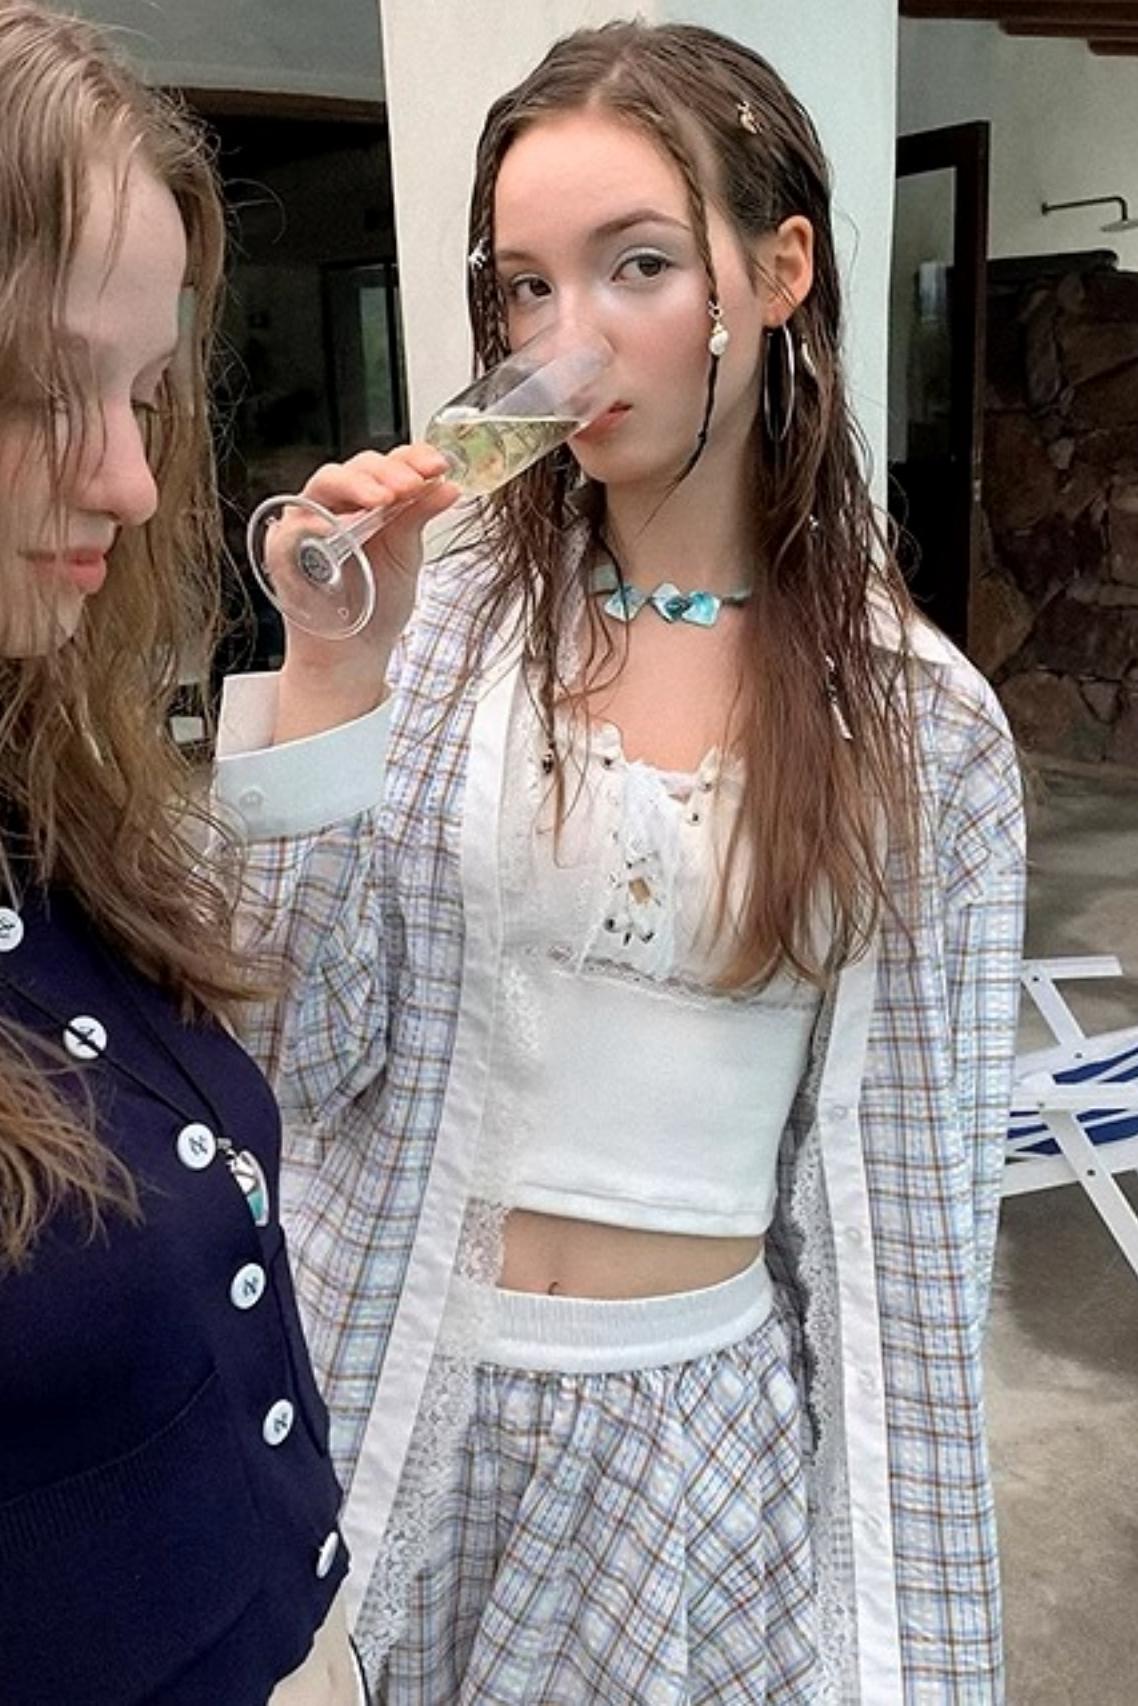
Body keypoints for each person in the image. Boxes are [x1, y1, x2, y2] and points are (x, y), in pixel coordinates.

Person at [217, 19, 1025, 1703]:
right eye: (524, 288)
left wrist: (910, 1649)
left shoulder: (917, 724)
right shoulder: (442, 633)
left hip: (694, 1453)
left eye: (634, 266)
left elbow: (918, 1232)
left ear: (776, 272)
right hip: (414, 1406)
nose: (563, 341)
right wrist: (331, 674)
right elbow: (295, 1055)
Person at [0, 7, 364, 1703]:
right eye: (40, 388)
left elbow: (283, 1019)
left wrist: (337, 667)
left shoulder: (45, 801)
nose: (137, 480)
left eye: (145, 394)